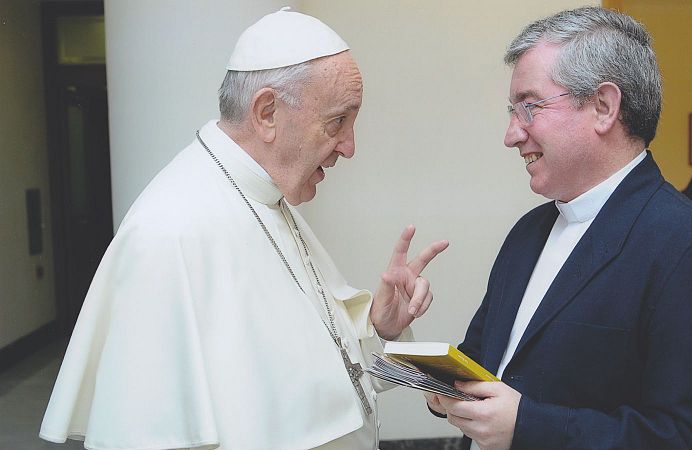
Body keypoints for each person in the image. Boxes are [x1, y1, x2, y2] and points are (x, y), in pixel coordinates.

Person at [39, 9, 448, 450]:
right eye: (338, 122)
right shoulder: (170, 231)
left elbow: (328, 377)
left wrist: (382, 330)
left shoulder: (266, 199)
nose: (349, 147)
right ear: (267, 112)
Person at [425, 7, 692, 450]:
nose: (511, 134)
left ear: (604, 107)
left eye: (529, 107)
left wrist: (528, 426)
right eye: (513, 111)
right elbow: (486, 364)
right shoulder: (528, 233)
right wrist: (411, 349)